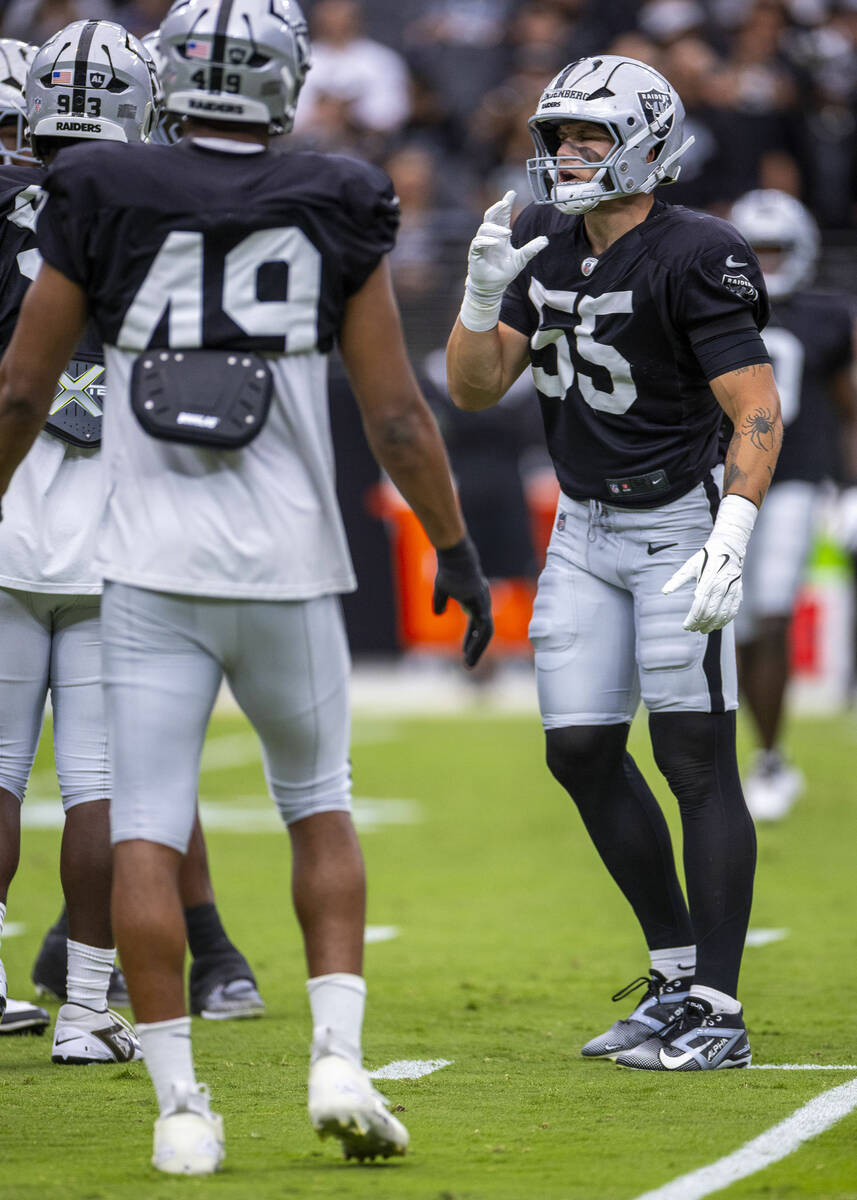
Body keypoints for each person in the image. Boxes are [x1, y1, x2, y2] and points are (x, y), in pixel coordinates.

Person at [0, 0, 492, 1175]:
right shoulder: (335, 191)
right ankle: (335, 1055)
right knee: (317, 803)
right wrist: (456, 552)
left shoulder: (100, 191)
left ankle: (178, 1103)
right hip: (285, 559)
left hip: (146, 559)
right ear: (285, 80)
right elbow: (394, 415)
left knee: (146, 830)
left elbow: (23, 389)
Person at [446, 54, 783, 1072]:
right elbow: (472, 389)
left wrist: (731, 529)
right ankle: (673, 975)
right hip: (583, 532)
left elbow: (755, 410)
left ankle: (716, 1011)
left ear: (643, 140)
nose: (567, 153)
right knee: (580, 752)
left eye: (589, 135)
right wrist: (476, 297)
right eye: (558, 135)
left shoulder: (698, 249)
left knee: (692, 759)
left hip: (679, 522)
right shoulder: (542, 239)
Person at [0, 18, 259, 1068]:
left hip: (9, 503)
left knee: (2, 767)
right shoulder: (175, 204)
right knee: (103, 783)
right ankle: (86, 1009)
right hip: (123, 525)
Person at [728, 188, 857, 820]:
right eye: (756, 250)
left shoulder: (828, 315)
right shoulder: (709, 307)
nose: (767, 260)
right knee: (743, 625)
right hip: (725, 479)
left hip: (798, 476)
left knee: (774, 610)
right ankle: (762, 752)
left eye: (777, 249)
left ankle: (771, 758)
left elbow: (849, 405)